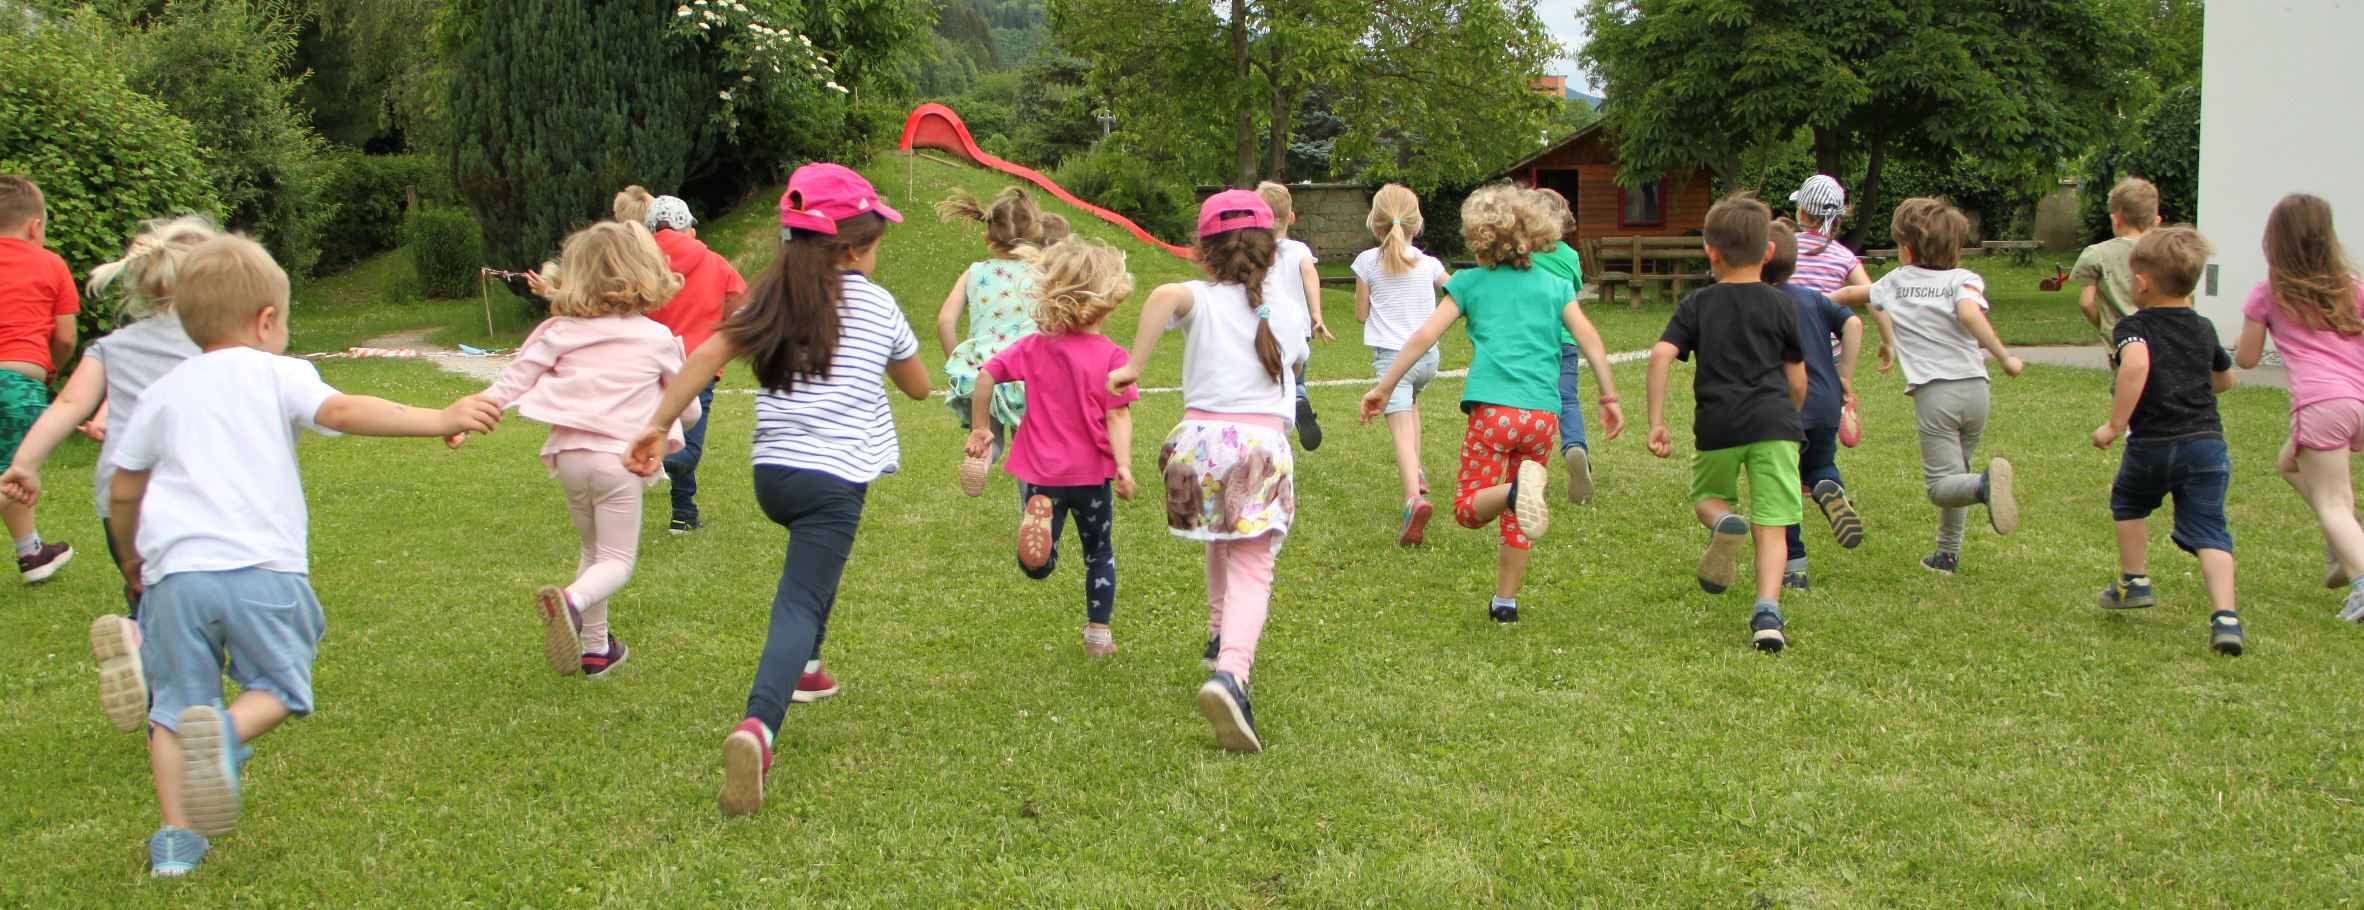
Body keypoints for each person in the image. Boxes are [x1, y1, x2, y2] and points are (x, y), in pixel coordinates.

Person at [107, 234, 499, 875]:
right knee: (279, 685)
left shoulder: (162, 391)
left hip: (175, 577)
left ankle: (176, 842)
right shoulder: (278, 373)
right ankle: (226, 735)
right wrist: (438, 417)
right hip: (262, 570)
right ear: (267, 321)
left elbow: (124, 489)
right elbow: (343, 411)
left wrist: (130, 557)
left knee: (175, 708)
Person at [625, 164, 931, 816]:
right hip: (834, 479)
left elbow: (705, 356)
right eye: (876, 243)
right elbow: (918, 386)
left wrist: (656, 424)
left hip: (774, 475)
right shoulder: (877, 304)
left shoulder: (770, 298)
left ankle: (810, 667)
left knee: (817, 574)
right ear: (854, 248)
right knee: (800, 596)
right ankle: (759, 727)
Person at [1359, 185, 1624, 625]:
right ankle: (1505, 602)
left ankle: (1517, 492)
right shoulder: (1557, 285)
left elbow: (1424, 337)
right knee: (1519, 516)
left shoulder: (1469, 283)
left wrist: (1385, 387)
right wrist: (1608, 396)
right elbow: (1589, 339)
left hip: (1493, 416)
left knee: (1469, 507)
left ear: (1478, 236)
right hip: (1543, 418)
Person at [0, 215, 212, 733]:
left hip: (122, 500)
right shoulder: (215, 344)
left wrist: (25, 464)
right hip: (195, 491)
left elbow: (69, 404)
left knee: (146, 589)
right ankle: (167, 673)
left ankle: (150, 669)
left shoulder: (111, 347)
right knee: (200, 596)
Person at [460, 221, 699, 678]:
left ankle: (595, 649)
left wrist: (472, 416)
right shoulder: (655, 338)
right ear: (646, 271)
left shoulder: (560, 331)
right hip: (621, 460)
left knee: (593, 552)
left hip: (570, 458)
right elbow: (687, 410)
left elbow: (513, 380)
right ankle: (571, 602)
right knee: (617, 562)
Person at [1105, 190, 1298, 753]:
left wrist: (1135, 365)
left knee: (1221, 538)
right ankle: (1232, 673)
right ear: (1271, 250)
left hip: (1194, 449)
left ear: (1203, 253)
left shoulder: (1198, 297)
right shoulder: (1284, 310)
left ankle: (1218, 636)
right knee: (1254, 563)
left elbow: (1166, 294)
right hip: (1256, 447)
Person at [1643, 196, 1806, 651]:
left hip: (1718, 425)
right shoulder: (1783, 305)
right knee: (1772, 525)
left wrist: (1657, 422)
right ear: (1768, 252)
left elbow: (1661, 355)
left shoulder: (1698, 303)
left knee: (1707, 500)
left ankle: (1723, 522)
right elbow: (1798, 379)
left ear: (1710, 251)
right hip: (1775, 426)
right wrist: (1790, 413)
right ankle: (1768, 612)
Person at [966, 240, 1139, 657]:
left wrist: (981, 429)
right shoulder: (1113, 356)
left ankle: (1039, 559)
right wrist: (1124, 466)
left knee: (1041, 564)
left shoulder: (1034, 346)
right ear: (1109, 301)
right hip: (1090, 476)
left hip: (1040, 475)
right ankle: (1098, 635)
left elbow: (987, 375)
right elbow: (1118, 416)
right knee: (1099, 552)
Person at [1836, 198, 2024, 576]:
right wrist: (2004, 358)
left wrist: (1810, 302)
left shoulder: (1897, 281)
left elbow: (1850, 295)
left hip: (1937, 394)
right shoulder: (1964, 279)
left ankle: (1985, 485)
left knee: (1942, 486)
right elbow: (1969, 312)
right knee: (1958, 474)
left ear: (1906, 249)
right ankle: (1946, 555)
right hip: (1977, 389)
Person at [2090, 226, 2243, 655]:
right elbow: (2224, 380)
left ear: (2141, 283)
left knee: (2128, 501)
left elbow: (2136, 365)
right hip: (2207, 445)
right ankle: (2226, 617)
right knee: (2211, 528)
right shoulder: (2204, 327)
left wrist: (2115, 425)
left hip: (2153, 444)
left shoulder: (2133, 327)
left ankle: (2134, 580)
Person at [2232, 193, 2364, 622]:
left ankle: (2361, 580)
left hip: (2321, 405)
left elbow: (2246, 358)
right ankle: (2345, 544)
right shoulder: (2351, 287)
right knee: (2289, 463)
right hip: (2358, 403)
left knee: (2332, 501)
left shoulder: (2269, 292)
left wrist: (2250, 328)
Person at [1763, 220, 1865, 592]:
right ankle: (1827, 488)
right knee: (1820, 464)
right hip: (1824, 404)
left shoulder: (1758, 303)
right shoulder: (1815, 298)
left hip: (1783, 407)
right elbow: (1854, 326)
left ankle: (1795, 568)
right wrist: (1845, 376)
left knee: (1783, 486)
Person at [640, 193, 748, 534]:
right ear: (687, 227)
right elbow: (743, 309)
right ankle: (654, 461)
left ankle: (683, 514)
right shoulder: (715, 263)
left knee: (665, 434)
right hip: (699, 364)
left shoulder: (638, 265)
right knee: (686, 449)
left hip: (649, 366)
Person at [1351, 184, 1449, 545]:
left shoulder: (1366, 262)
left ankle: (1413, 500)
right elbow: (1460, 293)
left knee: (1401, 432)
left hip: (1393, 362)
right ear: (1416, 225)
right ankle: (1417, 470)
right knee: (1411, 406)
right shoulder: (1430, 263)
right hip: (1428, 360)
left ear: (1375, 225)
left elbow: (1361, 314)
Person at [936, 186, 1047, 475]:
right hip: (1028, 374)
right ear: (1035, 235)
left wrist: (960, 366)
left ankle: (981, 458)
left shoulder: (975, 271)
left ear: (988, 237)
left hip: (982, 373)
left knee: (990, 438)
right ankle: (1030, 502)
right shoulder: (1044, 275)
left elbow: (945, 322)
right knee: (1029, 451)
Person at [0, 175, 78, 583]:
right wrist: (49, 371)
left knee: (10, 470)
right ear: (35, 226)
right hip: (19, 384)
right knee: (14, 471)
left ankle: (31, 552)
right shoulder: (50, 264)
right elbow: (65, 337)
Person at [1527, 187, 1598, 503]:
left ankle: (1529, 464)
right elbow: (1575, 288)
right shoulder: (1569, 256)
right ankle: (1575, 446)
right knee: (1567, 400)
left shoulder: (1523, 256)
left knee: (1532, 403)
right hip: (1566, 342)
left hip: (1531, 342)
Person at [1255, 182, 1332, 451]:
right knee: (1295, 378)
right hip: (1298, 329)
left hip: (1265, 326)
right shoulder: (1299, 249)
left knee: (1267, 381)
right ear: (1292, 218)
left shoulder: (1256, 251)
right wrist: (1316, 313)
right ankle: (1298, 399)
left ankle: (1271, 425)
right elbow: (1310, 274)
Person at [2073, 178, 2160, 351]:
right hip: (2159, 339)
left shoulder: (2097, 254)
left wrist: (2106, 327)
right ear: (2156, 221)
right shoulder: (2165, 253)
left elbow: (2086, 303)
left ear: (2115, 220)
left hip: (2120, 343)